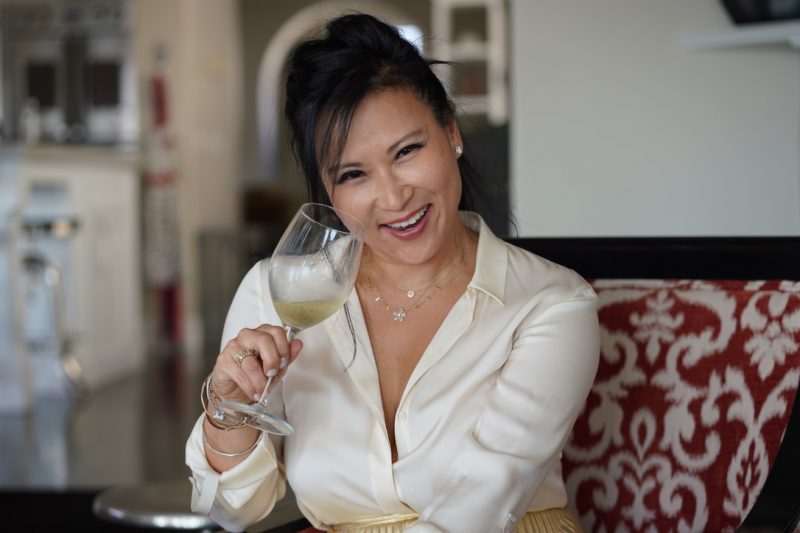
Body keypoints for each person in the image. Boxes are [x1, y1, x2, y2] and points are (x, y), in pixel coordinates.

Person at [186, 13, 599, 533]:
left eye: (406, 152)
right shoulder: (278, 291)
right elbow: (235, 511)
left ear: (451, 131)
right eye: (353, 174)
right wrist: (229, 407)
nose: (393, 196)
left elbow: (478, 505)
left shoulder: (552, 303)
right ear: (327, 191)